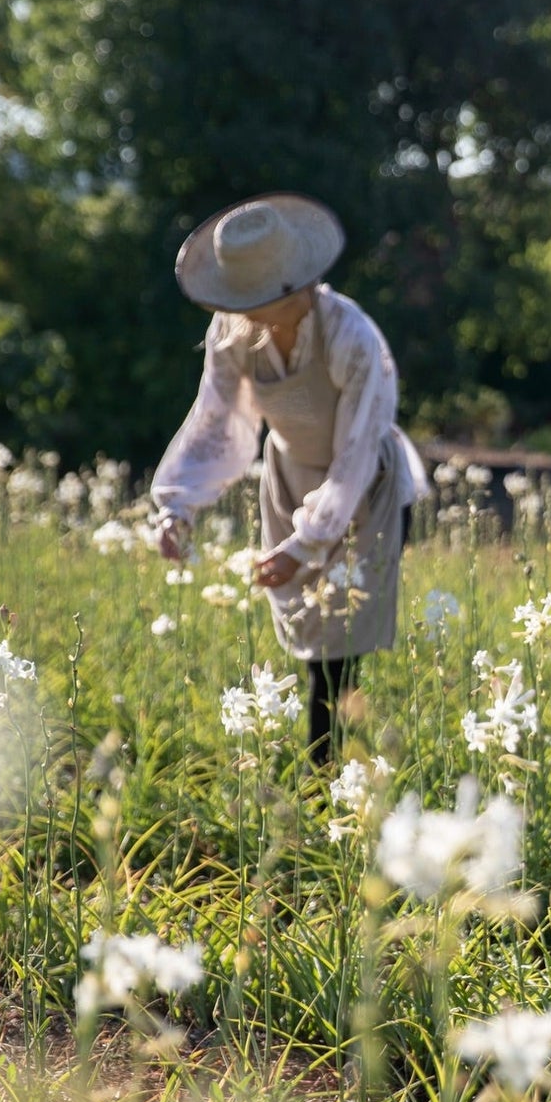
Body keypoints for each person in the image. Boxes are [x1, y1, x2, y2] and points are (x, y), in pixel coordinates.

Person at [151, 191, 427, 764]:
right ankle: (327, 763)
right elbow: (216, 423)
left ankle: (333, 771)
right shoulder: (232, 334)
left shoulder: (352, 337)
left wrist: (308, 542)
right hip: (289, 476)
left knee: (343, 640)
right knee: (309, 631)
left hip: (363, 489)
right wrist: (179, 506)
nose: (238, 308)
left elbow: (354, 453)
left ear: (291, 286)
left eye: (251, 298)